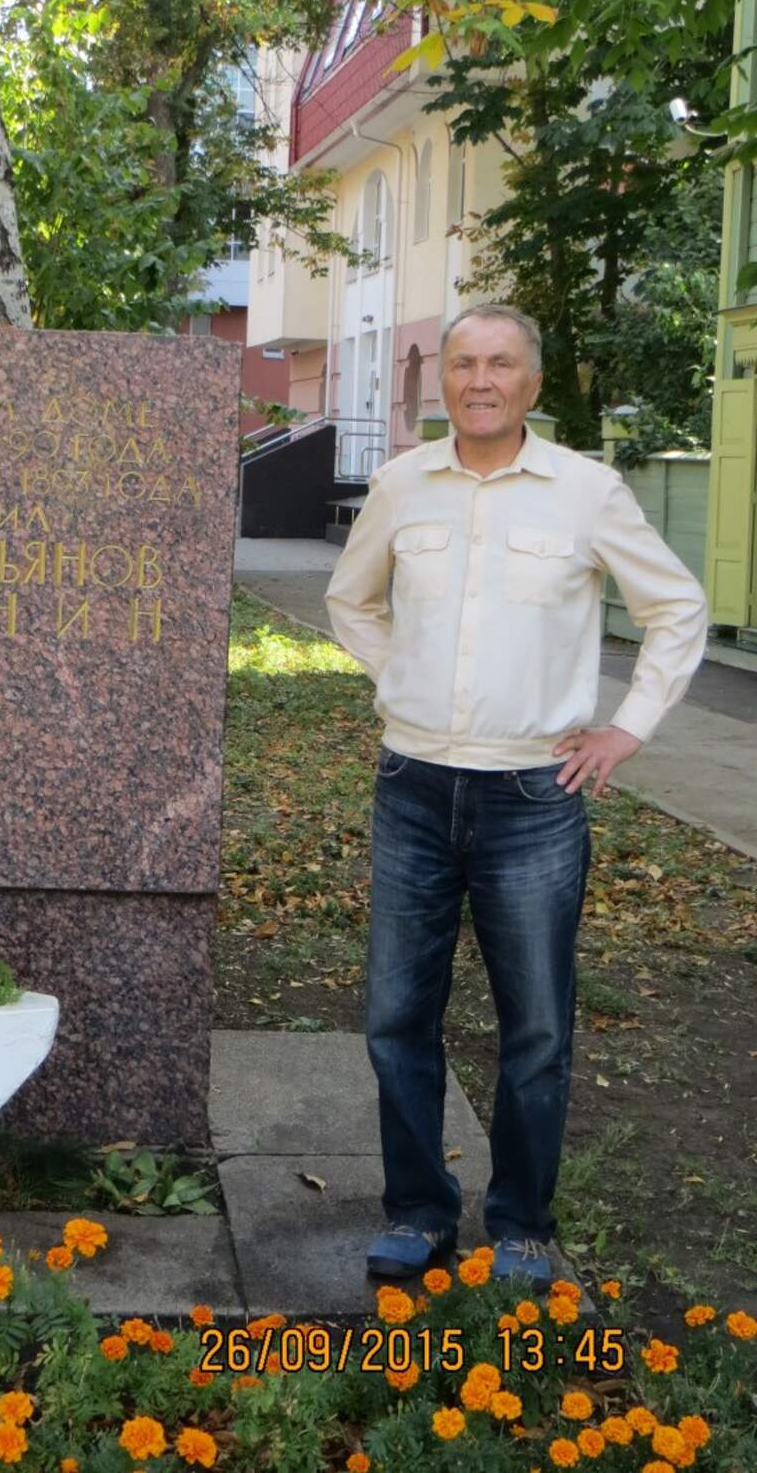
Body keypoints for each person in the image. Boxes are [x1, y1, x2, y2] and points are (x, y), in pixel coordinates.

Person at [324, 303, 710, 1290]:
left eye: (500, 363)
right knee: (396, 1018)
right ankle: (417, 1214)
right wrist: (400, 673)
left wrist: (627, 727)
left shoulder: (585, 492)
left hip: (534, 798)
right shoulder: (403, 485)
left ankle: (522, 1228)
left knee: (534, 1027)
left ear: (531, 383)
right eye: (463, 363)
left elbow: (677, 609)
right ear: (442, 380)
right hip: (413, 787)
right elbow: (348, 600)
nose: (480, 380)